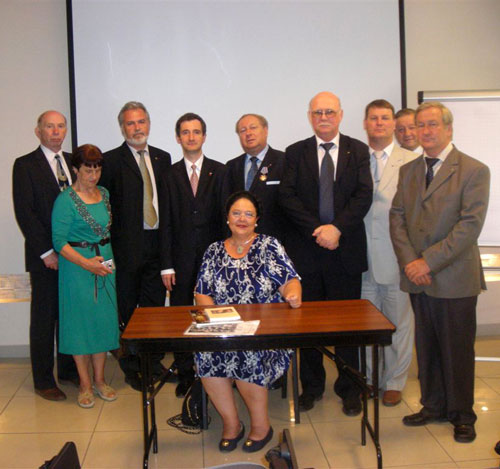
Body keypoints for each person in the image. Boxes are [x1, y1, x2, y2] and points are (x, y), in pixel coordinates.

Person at [390, 101, 490, 443]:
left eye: (432, 124)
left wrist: (427, 262)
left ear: (448, 128)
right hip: (417, 278)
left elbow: (469, 226)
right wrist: (410, 262)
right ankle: (432, 406)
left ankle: (462, 414)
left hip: (454, 278)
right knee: (427, 346)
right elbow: (397, 217)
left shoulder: (474, 170)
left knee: (457, 350)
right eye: (420, 125)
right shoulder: (409, 170)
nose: (425, 131)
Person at [279, 91, 372, 415]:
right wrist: (319, 230)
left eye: (329, 112)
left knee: (348, 327)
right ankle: (312, 387)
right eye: (317, 112)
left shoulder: (358, 150)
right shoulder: (295, 152)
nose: (323, 117)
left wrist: (337, 229)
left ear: (340, 115)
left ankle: (350, 388)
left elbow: (363, 194)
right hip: (308, 252)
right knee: (308, 326)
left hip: (345, 251)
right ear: (310, 117)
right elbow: (287, 197)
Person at [195, 191, 301, 453]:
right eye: (236, 213)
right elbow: (202, 292)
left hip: (264, 331)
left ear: (257, 219)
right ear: (227, 218)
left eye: (248, 214)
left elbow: (290, 279)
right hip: (224, 327)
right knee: (204, 354)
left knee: (247, 352)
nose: (242, 219)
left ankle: (261, 427)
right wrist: (213, 321)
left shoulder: (269, 245)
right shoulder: (213, 250)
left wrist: (292, 294)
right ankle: (232, 425)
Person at [100, 101, 171, 391]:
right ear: (122, 128)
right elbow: (104, 207)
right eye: (130, 123)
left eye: (141, 121)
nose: (137, 127)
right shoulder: (110, 160)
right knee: (128, 309)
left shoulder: (163, 158)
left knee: (154, 307)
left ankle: (152, 362)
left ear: (149, 124)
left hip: (157, 244)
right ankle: (131, 366)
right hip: (126, 249)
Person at [12, 110, 78, 401]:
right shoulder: (25, 165)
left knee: (69, 316)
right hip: (46, 258)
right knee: (44, 319)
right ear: (38, 131)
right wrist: (47, 252)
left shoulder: (74, 162)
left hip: (75, 256)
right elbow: (25, 212)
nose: (55, 131)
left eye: (60, 126)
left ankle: (67, 369)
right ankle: (43, 380)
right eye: (49, 127)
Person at [161, 113, 225, 397]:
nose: (191, 137)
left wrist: (226, 260)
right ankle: (186, 373)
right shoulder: (169, 175)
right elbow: (165, 222)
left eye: (196, 132)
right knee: (183, 317)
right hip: (180, 260)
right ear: (178, 138)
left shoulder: (220, 171)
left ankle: (215, 372)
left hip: (214, 260)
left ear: (204, 136)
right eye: (185, 132)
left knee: (212, 316)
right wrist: (166, 265)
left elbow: (225, 218)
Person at [52, 144, 120, 408]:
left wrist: (102, 262)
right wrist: (86, 264)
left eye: (97, 170)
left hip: (105, 260)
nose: (93, 176)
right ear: (75, 170)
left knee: (102, 321)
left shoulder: (105, 194)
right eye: (88, 170)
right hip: (77, 267)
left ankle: (100, 380)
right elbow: (59, 242)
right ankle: (84, 383)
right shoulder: (65, 200)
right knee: (80, 324)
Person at [362, 99, 417, 406]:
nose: (379, 123)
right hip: (361, 258)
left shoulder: (411, 161)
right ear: (365, 123)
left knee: (398, 323)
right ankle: (369, 379)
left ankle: (394, 381)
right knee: (367, 323)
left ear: (393, 123)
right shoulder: (355, 159)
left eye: (385, 118)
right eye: (374, 118)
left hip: (397, 257)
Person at [223, 114, 287, 242]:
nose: (248, 133)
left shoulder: (284, 161)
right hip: (240, 241)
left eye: (253, 128)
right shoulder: (232, 166)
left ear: (265, 130)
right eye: (243, 130)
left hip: (275, 240)